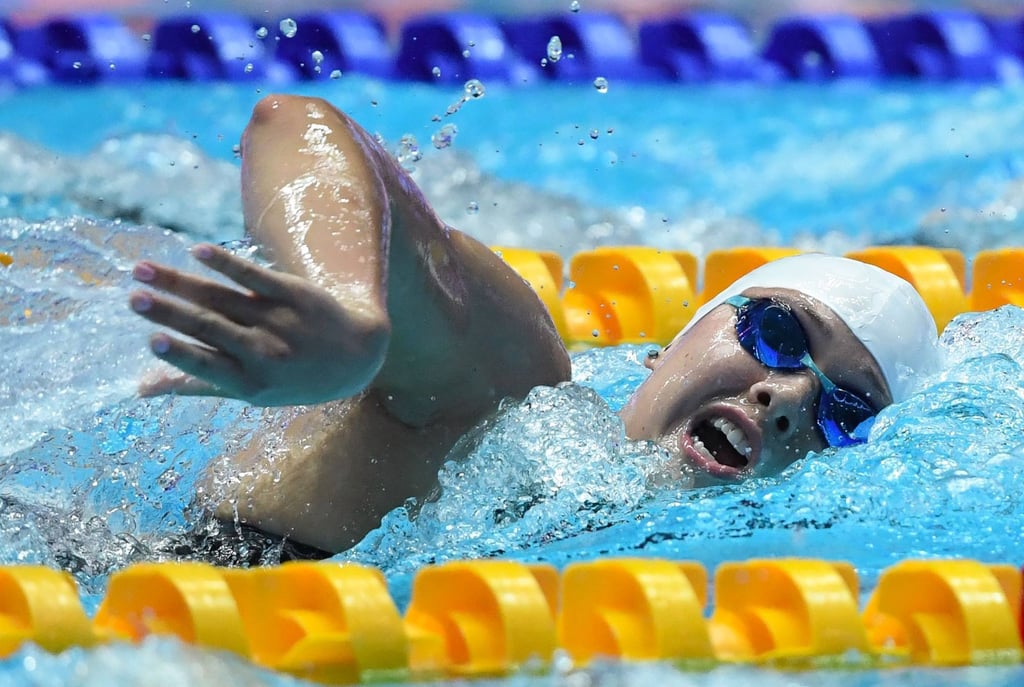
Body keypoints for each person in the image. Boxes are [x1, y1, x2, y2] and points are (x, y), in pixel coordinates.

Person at [128, 94, 941, 557]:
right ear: (666, 346)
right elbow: (298, 126)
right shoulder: (511, 397)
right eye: (777, 335)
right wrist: (350, 316)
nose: (787, 395)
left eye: (847, 412)